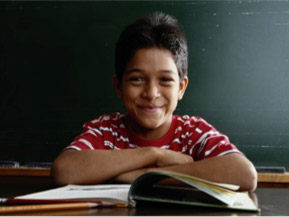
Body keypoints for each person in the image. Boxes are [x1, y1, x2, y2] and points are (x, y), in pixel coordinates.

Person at [51, 12, 257, 192]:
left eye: (165, 80)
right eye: (137, 79)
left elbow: (244, 174)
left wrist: (148, 176)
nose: (151, 93)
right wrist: (154, 154)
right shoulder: (107, 131)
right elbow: (64, 170)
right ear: (118, 86)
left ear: (181, 88)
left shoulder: (192, 133)